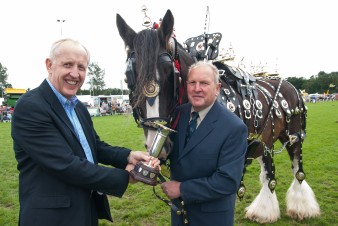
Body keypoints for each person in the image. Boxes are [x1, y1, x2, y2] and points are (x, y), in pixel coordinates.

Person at [11, 38, 160, 226]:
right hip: (52, 218)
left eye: (81, 67)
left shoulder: (77, 106)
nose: (75, 74)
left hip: (85, 210)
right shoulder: (31, 107)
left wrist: (128, 156)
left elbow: (94, 147)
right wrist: (126, 177)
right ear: (49, 65)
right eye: (68, 64)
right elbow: (66, 165)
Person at [160, 61, 248, 226]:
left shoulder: (234, 127)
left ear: (217, 88)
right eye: (192, 82)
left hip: (210, 218)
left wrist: (181, 189)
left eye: (204, 83)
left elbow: (227, 182)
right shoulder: (179, 114)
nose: (197, 88)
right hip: (180, 214)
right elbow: (174, 152)